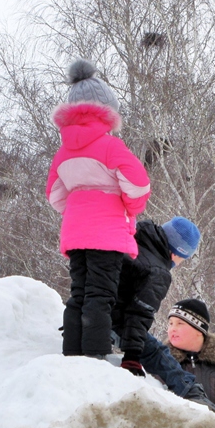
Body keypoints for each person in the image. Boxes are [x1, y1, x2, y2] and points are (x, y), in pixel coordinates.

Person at [46, 58, 151, 358]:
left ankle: (74, 353)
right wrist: (128, 206)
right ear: (106, 112)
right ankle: (94, 355)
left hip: (76, 234)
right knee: (101, 295)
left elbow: (55, 196)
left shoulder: (62, 153)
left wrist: (79, 207)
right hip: (107, 234)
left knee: (78, 293)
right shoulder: (110, 147)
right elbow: (139, 186)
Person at [110, 217, 215, 409]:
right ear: (176, 251)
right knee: (156, 351)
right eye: (183, 258)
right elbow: (139, 313)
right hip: (115, 319)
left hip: (94, 307)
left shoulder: (134, 239)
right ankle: (189, 390)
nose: (180, 263)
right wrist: (132, 356)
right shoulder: (158, 271)